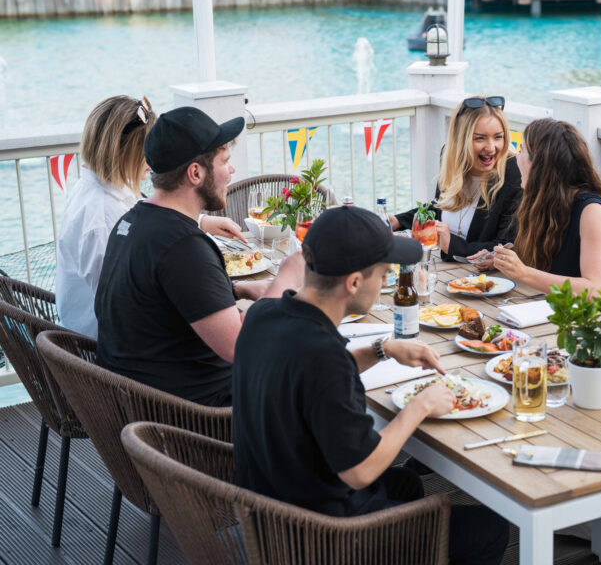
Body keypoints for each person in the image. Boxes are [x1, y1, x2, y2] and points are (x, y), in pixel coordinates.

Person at [233, 206, 509, 565]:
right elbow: (360, 470)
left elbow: (305, 378)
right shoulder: (323, 355)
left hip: (272, 510)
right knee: (489, 529)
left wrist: (381, 350)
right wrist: (421, 406)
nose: (386, 283)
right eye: (383, 274)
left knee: (406, 485)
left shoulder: (264, 316)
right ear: (353, 283)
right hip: (323, 540)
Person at [94, 106, 304, 406]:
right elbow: (239, 345)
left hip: (138, 410)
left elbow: (159, 300)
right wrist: (288, 274)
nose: (231, 171)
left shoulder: (132, 223)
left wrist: (237, 289)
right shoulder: (182, 245)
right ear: (196, 173)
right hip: (197, 423)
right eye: (225, 162)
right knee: (319, 364)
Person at [55, 95, 245, 338]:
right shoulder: (101, 214)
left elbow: (141, 213)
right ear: (124, 153)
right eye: (146, 150)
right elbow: (120, 305)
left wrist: (201, 222)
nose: (153, 160)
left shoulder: (103, 190)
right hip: (99, 351)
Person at [488, 118, 601, 294]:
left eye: (521, 150)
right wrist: (505, 261)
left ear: (540, 164)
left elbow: (595, 290)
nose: (517, 158)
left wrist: (524, 273)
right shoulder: (545, 202)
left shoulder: (592, 211)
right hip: (553, 308)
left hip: (595, 318)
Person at [392, 95, 522, 260]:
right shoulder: (449, 157)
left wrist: (451, 244)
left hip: (489, 280)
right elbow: (440, 208)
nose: (491, 148)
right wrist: (397, 221)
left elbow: (507, 245)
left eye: (498, 137)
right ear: (461, 140)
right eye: (480, 138)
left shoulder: (512, 171)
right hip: (446, 270)